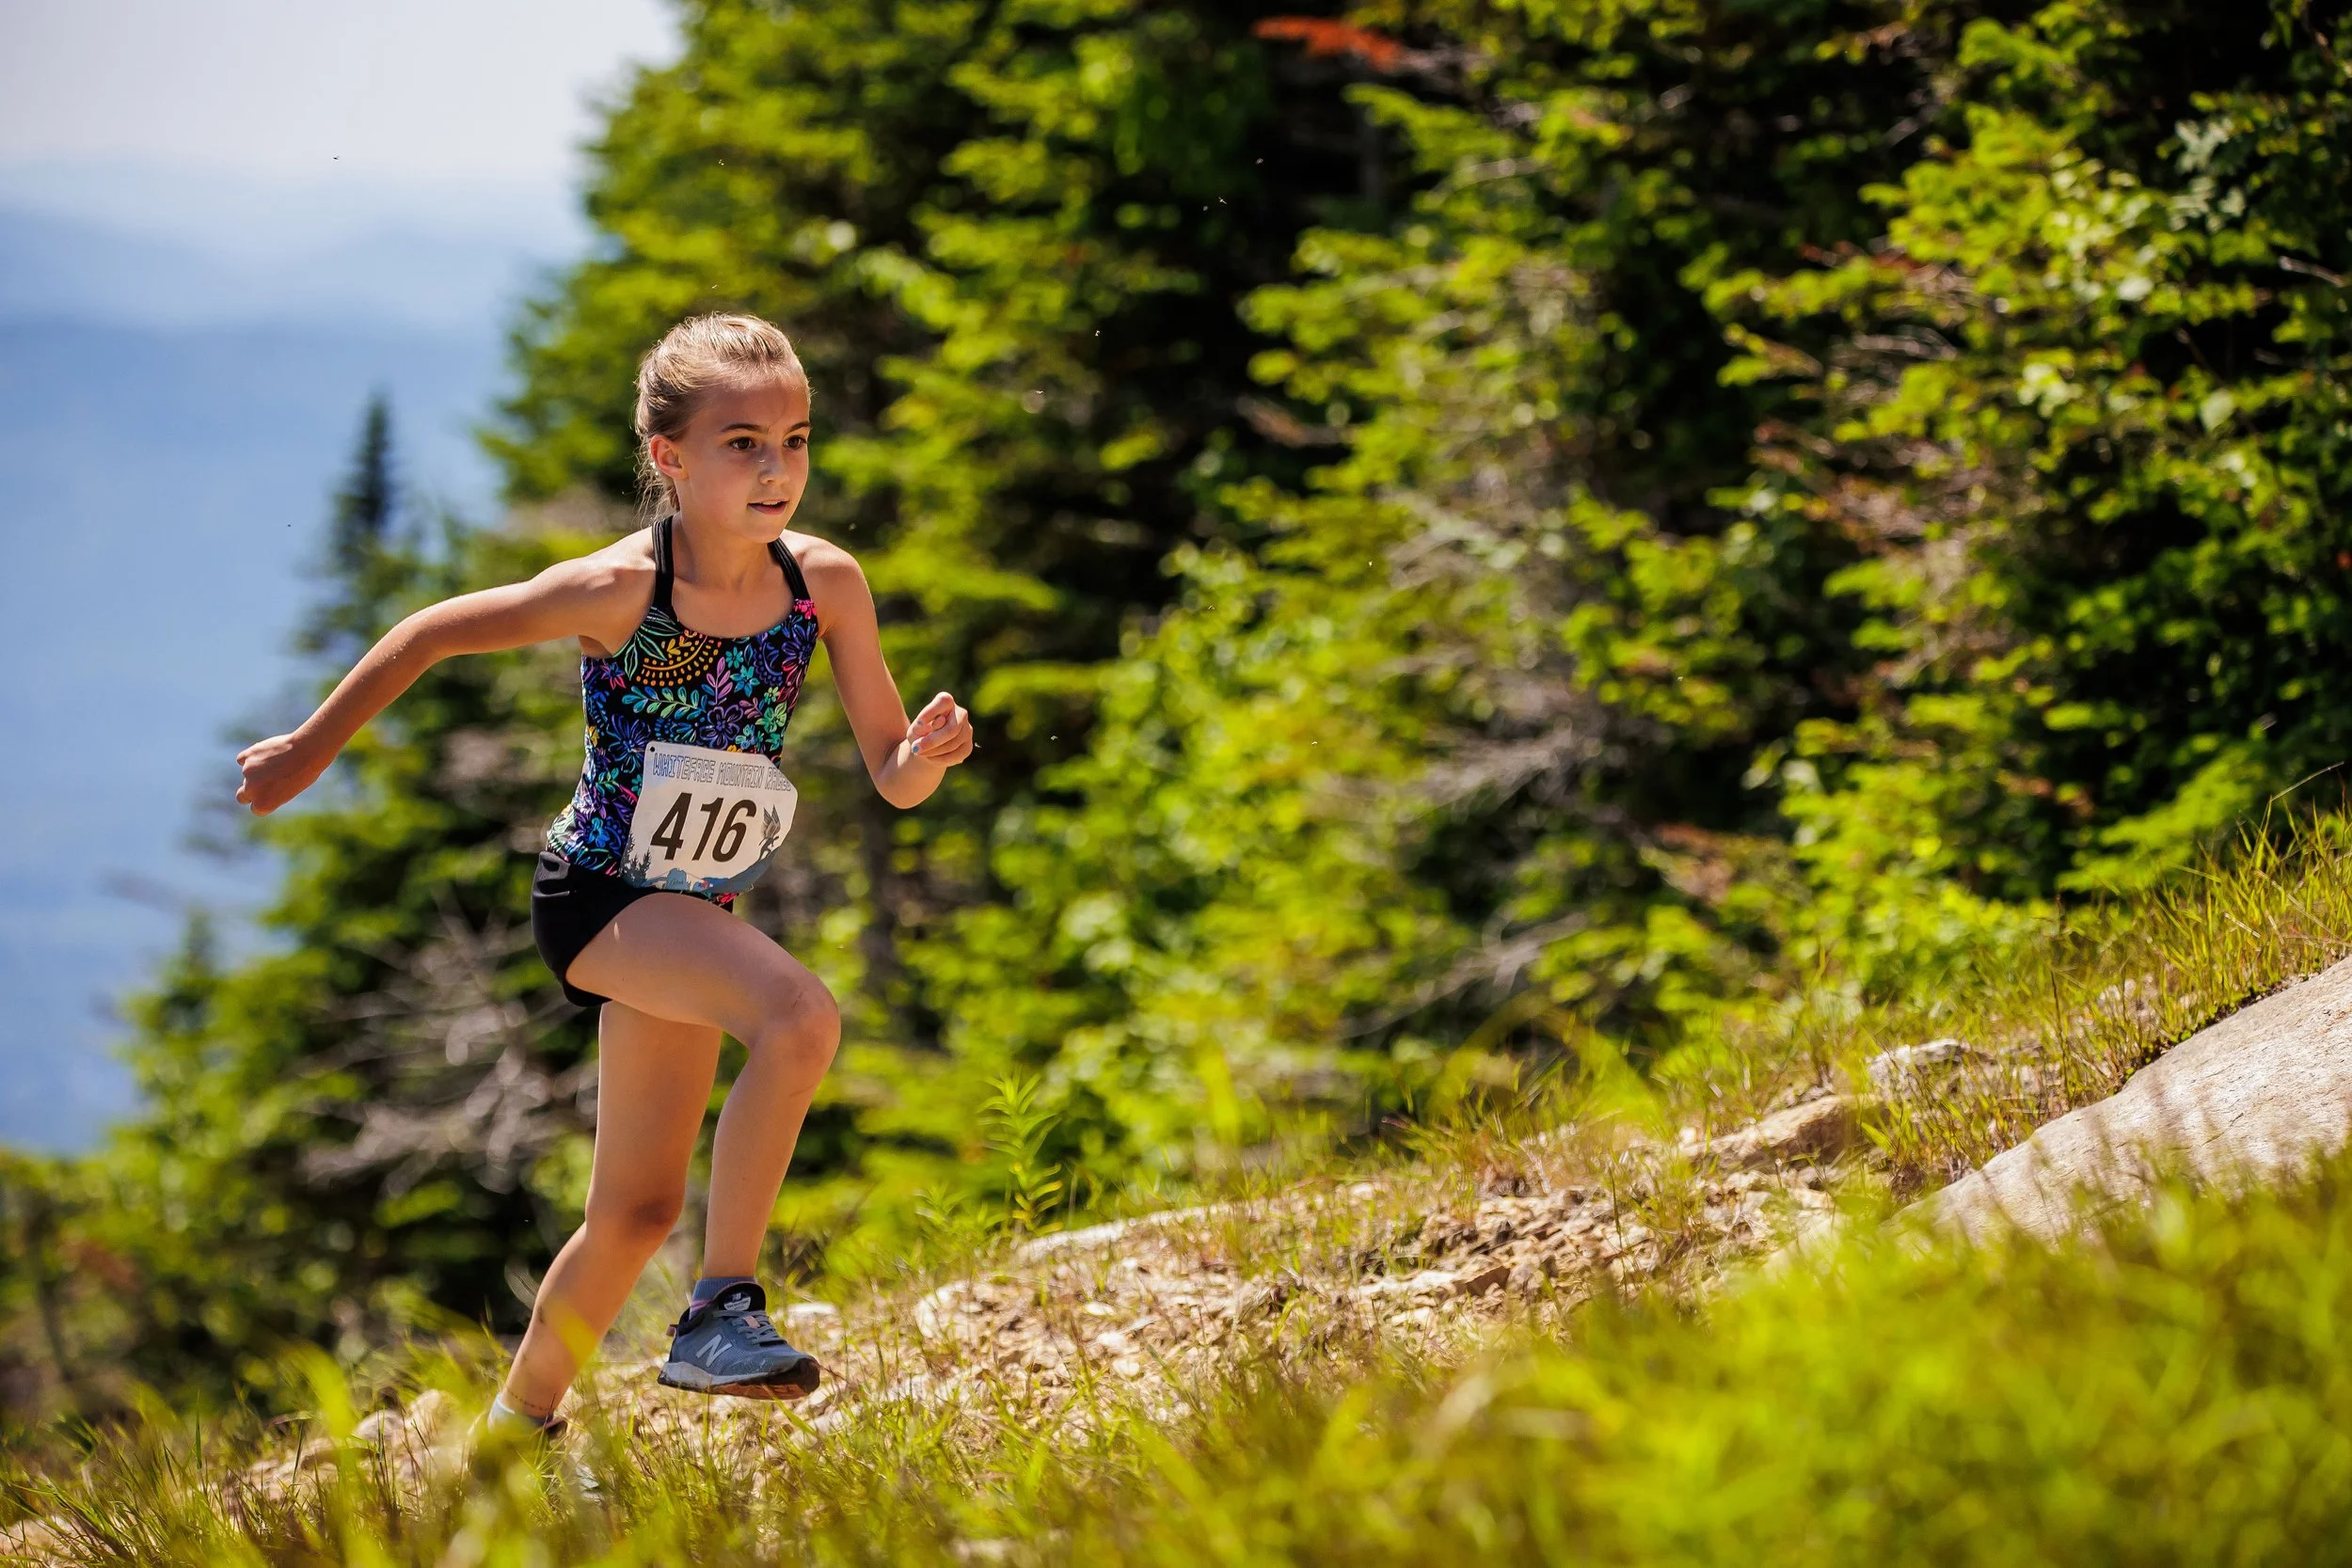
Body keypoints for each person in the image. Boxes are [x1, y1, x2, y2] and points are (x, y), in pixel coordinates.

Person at [235, 314, 974, 1433]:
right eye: (742, 442)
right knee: (799, 1015)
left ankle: (507, 1438)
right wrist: (306, 748)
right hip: (600, 896)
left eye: (795, 437)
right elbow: (433, 631)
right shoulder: (622, 588)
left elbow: (890, 774)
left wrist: (919, 757)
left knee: (631, 1210)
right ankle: (721, 1308)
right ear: (670, 457)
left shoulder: (823, 583)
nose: (777, 467)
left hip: (696, 907)